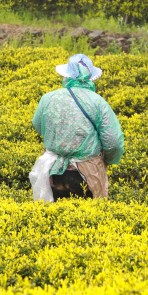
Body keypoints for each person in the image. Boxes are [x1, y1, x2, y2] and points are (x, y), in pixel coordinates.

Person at [29, 54, 124, 201]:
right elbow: (113, 142)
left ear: (66, 75)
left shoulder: (48, 98)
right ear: (89, 78)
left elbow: (37, 125)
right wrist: (109, 160)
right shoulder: (98, 103)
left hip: (53, 173)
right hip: (87, 174)